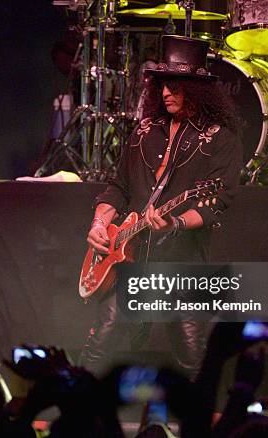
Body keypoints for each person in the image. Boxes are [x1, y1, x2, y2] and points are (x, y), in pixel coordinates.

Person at [80, 35, 244, 377]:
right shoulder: (144, 130)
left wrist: (176, 224)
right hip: (128, 254)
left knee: (189, 350)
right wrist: (99, 224)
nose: (166, 93)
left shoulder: (222, 139)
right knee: (103, 339)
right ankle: (79, 411)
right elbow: (118, 187)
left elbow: (218, 202)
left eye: (175, 87)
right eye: (162, 86)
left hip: (180, 262)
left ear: (196, 90)